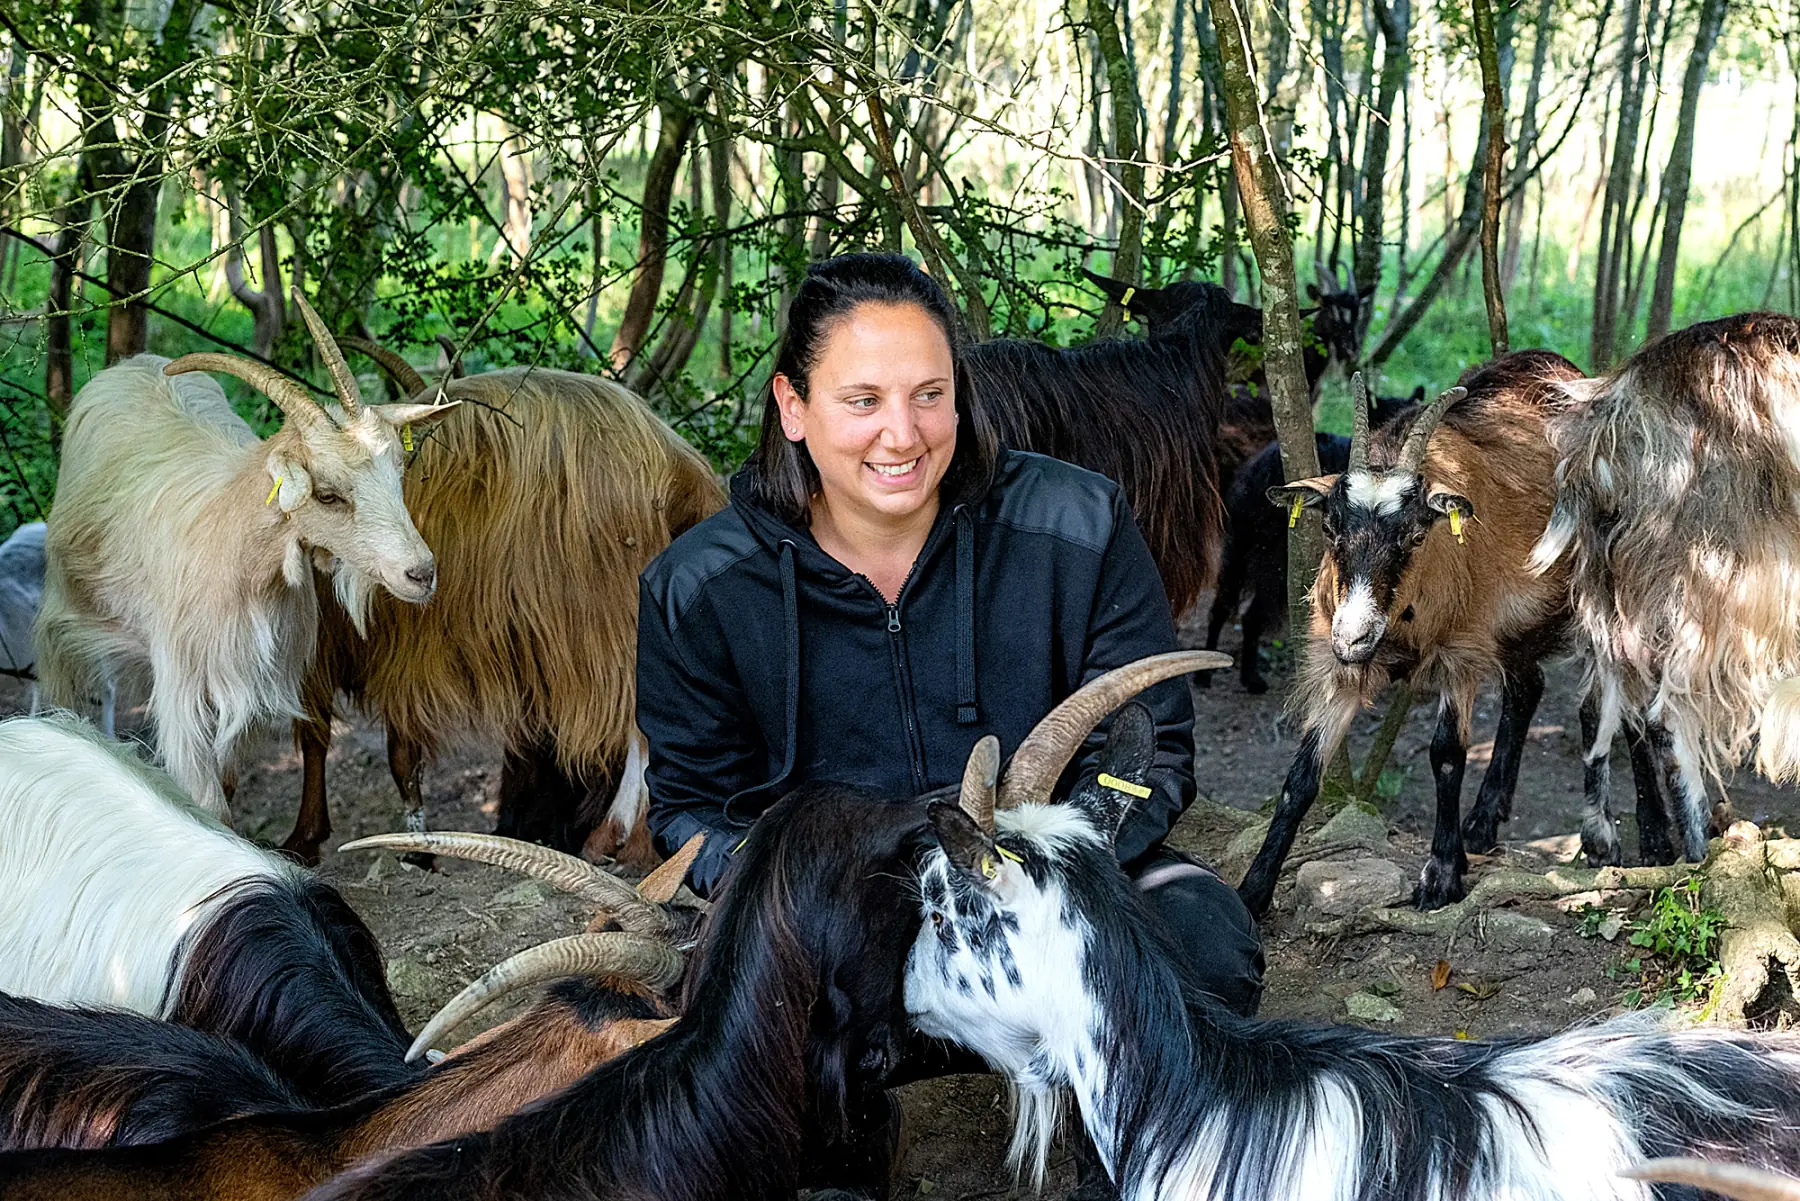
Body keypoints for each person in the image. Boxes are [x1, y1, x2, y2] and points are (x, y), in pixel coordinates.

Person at [635, 253, 1261, 1194]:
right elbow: (687, 810)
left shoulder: (1078, 522)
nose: (903, 433)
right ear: (792, 406)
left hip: (1040, 891)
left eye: (930, 393)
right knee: (715, 1012)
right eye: (863, 400)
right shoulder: (698, 587)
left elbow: (1153, 749)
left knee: (1205, 939)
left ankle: (1123, 1163)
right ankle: (841, 1165)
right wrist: (794, 885)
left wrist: (1040, 861)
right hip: (844, 928)